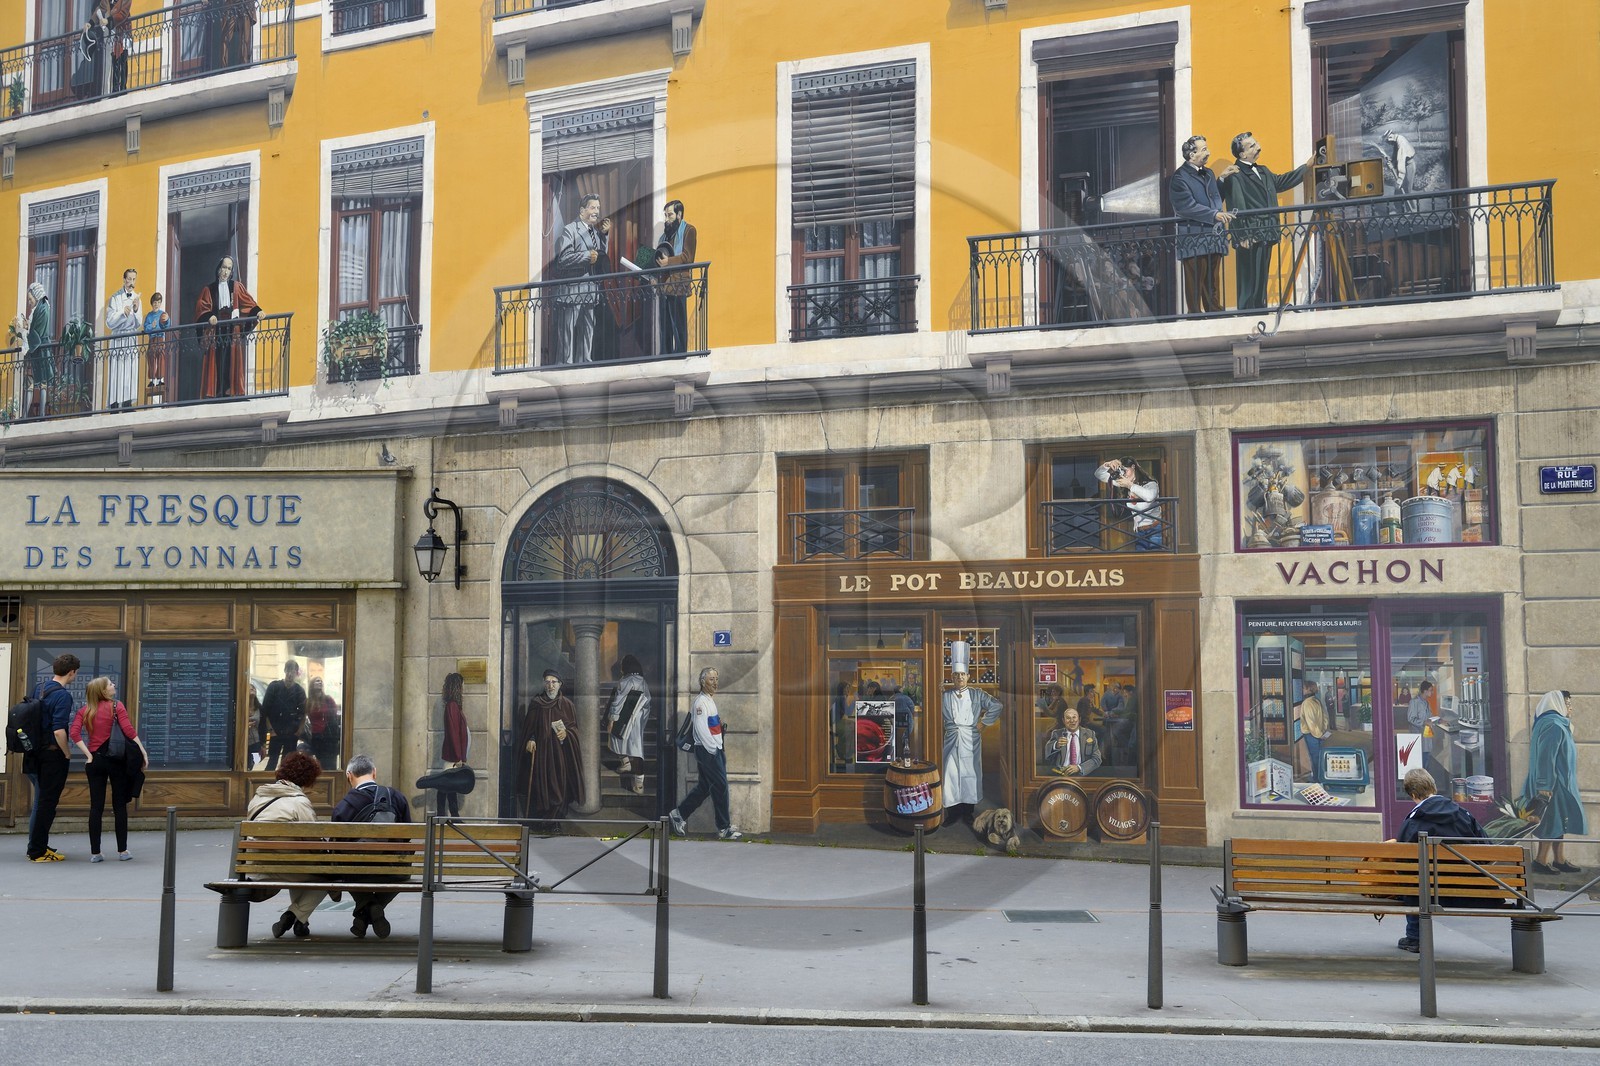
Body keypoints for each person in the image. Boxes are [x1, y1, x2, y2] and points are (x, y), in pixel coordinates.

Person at [1393, 768, 1485, 953]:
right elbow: (1487, 847)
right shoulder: (1463, 815)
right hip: (1466, 890)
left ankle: (1415, 938)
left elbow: (1400, 861)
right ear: (1434, 788)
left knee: (1414, 881)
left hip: (1425, 893)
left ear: (1412, 794)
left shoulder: (1413, 821)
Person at [1219, 133, 1310, 311]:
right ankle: (1247, 315)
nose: (1258, 147)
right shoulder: (1235, 175)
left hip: (1267, 230)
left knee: (1261, 278)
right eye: (1252, 146)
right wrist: (1242, 235)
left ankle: (1260, 311)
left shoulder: (1264, 171)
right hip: (1250, 234)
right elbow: (1236, 206)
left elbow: (1282, 182)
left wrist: (1306, 168)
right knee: (1249, 279)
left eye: (1256, 143)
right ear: (1242, 154)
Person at [246, 751, 327, 939]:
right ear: (307, 778)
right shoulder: (299, 802)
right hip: (288, 867)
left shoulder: (257, 798)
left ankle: (302, 923)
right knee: (326, 877)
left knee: (298, 864)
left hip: (258, 867)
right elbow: (313, 843)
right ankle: (293, 915)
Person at [69, 676, 149, 862]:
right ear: (103, 691)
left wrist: (88, 755)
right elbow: (129, 731)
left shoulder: (85, 711)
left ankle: (95, 853)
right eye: (110, 684)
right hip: (116, 761)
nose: (114, 685)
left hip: (95, 761)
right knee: (119, 806)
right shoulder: (116, 706)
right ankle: (122, 851)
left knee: (95, 807)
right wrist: (142, 751)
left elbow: (73, 733)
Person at [332, 753, 412, 939]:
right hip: (392, 870)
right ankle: (373, 909)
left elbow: (337, 843)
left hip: (357, 870)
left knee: (344, 866)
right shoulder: (397, 797)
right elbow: (407, 835)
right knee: (402, 872)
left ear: (349, 776)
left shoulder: (343, 806)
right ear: (374, 773)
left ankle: (367, 908)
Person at [668, 667, 741, 840]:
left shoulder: (708, 700)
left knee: (705, 788)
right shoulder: (700, 703)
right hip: (709, 751)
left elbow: (711, 726)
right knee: (721, 787)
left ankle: (678, 815)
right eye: (711, 680)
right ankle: (724, 828)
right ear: (703, 682)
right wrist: (714, 751)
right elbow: (701, 731)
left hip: (713, 750)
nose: (715, 682)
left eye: (716, 679)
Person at [1168, 135, 1234, 314]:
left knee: (1212, 279)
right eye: (1204, 149)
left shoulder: (1209, 173)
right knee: (1195, 279)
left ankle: (1215, 311)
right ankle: (1195, 314)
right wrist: (1214, 215)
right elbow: (1186, 207)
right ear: (1191, 155)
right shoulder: (1179, 178)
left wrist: (1221, 180)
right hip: (1194, 238)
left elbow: (1215, 200)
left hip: (1213, 236)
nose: (1208, 152)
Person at [1523, 689, 1585, 875]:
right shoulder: (1554, 725)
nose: (1570, 707)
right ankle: (1540, 861)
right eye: (1567, 703)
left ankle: (1559, 859)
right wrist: (1544, 786)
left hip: (1559, 784)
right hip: (1553, 785)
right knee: (1550, 823)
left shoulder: (1552, 723)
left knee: (1559, 822)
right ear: (1557, 704)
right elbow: (1546, 758)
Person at [26, 653, 80, 862]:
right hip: (51, 755)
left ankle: (36, 846)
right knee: (47, 804)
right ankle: (37, 851)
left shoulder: (39, 688)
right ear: (72, 672)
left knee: (40, 802)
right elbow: (59, 731)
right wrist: (66, 752)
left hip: (33, 753)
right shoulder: (63, 696)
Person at [941, 653, 1002, 824]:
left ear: (968, 676)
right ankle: (952, 813)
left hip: (971, 739)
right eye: (956, 674)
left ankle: (968, 812)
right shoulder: (945, 696)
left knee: (970, 774)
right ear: (952, 677)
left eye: (962, 674)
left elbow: (997, 705)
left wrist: (983, 723)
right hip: (952, 738)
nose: (959, 677)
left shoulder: (978, 694)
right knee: (950, 774)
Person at [551, 193, 611, 364]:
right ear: (582, 210)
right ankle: (565, 363)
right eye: (593, 208)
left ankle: (585, 360)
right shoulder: (570, 229)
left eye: (598, 208)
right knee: (568, 328)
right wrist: (586, 256)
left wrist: (604, 236)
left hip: (590, 289)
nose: (596, 212)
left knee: (588, 328)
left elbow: (599, 256)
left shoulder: (595, 232)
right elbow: (563, 259)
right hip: (572, 289)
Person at [516, 669, 583, 819]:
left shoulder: (567, 705)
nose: (550, 686)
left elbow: (574, 729)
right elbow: (530, 728)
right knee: (541, 787)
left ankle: (556, 820)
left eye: (554, 682)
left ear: (560, 684)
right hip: (541, 755)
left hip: (560, 755)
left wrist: (567, 733)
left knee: (559, 787)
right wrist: (531, 739)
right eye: (547, 682)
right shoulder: (536, 703)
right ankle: (543, 821)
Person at [194, 255, 261, 399]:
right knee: (217, 361)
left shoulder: (236, 286)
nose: (225, 271)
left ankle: (231, 391)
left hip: (232, 330)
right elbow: (202, 306)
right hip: (216, 331)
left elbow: (248, 302)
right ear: (218, 269)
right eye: (224, 267)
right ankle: (216, 392)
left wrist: (258, 311)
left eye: (229, 269)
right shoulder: (209, 289)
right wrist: (209, 316)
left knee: (231, 361)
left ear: (232, 272)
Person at [654, 199, 697, 354]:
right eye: (665, 215)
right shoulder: (664, 238)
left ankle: (680, 355)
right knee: (664, 326)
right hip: (664, 285)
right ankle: (665, 355)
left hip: (679, 285)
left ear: (679, 215)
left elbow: (687, 257)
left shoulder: (689, 231)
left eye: (670, 215)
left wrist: (667, 262)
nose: (667, 219)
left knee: (678, 325)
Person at [1095, 457, 1164, 551]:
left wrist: (1130, 485)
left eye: (1125, 470)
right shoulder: (1125, 483)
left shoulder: (1150, 484)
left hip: (1155, 529)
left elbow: (1149, 497)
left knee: (1156, 559)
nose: (1124, 474)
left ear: (1133, 467)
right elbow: (1099, 475)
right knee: (1141, 561)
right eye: (1121, 471)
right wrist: (1107, 464)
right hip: (1139, 531)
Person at [606, 654, 651, 796]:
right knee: (636, 750)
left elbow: (618, 701)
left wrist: (612, 720)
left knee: (614, 737)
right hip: (637, 721)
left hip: (623, 718)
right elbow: (648, 702)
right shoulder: (642, 681)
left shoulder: (625, 681)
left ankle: (625, 763)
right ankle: (639, 785)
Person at [104, 268, 142, 410]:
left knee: (129, 373)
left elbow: (138, 323)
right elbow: (109, 322)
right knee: (116, 373)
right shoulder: (115, 298)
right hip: (118, 338)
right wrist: (122, 313)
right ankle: (114, 405)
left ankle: (127, 404)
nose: (132, 282)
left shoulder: (137, 298)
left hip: (131, 339)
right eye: (129, 279)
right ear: (124, 280)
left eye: (134, 279)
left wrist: (137, 310)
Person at [433, 671, 468, 816]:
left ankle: (451, 816)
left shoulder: (453, 706)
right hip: (452, 756)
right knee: (445, 787)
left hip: (453, 755)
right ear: (457, 687)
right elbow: (454, 734)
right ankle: (446, 816)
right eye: (461, 686)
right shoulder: (452, 706)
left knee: (448, 786)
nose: (463, 689)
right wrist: (459, 757)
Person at [261, 659, 306, 771]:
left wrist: (299, 731)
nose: (290, 674)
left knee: (287, 764)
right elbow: (265, 710)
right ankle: (268, 785)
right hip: (276, 730)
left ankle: (283, 786)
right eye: (288, 670)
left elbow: (303, 712)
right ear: (285, 671)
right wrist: (271, 730)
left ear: (296, 673)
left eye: (293, 671)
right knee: (272, 761)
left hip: (291, 732)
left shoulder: (299, 691)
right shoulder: (274, 687)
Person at [1045, 703, 1102, 777]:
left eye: (1074, 717)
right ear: (1063, 720)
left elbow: (1097, 759)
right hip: (1061, 775)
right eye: (1068, 718)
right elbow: (1047, 754)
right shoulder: (1057, 734)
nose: (1072, 721)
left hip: (1083, 775)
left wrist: (1079, 768)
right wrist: (1056, 745)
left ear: (1079, 719)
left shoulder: (1090, 734)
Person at [23, 282, 52, 420]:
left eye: (30, 299)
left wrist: (27, 330)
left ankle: (41, 415)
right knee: (33, 381)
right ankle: (25, 415)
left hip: (41, 349)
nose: (29, 302)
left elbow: (37, 332)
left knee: (42, 381)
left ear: (36, 295)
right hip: (36, 349)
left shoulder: (43, 307)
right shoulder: (38, 308)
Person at [71, 2, 111, 100]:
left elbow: (121, 14)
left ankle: (107, 92)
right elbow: (99, 11)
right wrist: (90, 23)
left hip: (112, 42)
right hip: (99, 47)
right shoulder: (103, 5)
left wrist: (109, 21)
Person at [1296, 681, 1332, 781]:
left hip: (1312, 735)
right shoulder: (1317, 700)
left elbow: (1310, 722)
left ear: (1309, 689)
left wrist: (1318, 734)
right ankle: (1320, 777)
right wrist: (1323, 730)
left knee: (1315, 757)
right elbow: (1325, 717)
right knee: (1319, 756)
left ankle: (1317, 779)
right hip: (1320, 733)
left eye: (1304, 688)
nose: (1302, 690)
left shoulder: (1307, 703)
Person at [305, 676, 341, 769]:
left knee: (330, 763)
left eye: (321, 681)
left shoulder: (328, 699)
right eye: (317, 681)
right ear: (312, 685)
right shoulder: (309, 701)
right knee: (320, 763)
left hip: (328, 736)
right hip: (316, 736)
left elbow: (334, 715)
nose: (320, 682)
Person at [142, 292, 169, 394]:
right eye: (154, 302)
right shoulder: (149, 316)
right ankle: (153, 380)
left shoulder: (163, 314)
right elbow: (146, 328)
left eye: (158, 302)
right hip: (152, 339)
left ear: (160, 303)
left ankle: (160, 379)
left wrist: (166, 320)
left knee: (161, 357)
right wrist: (151, 326)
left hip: (160, 338)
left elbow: (167, 325)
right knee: (152, 358)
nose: (156, 304)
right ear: (152, 303)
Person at [108, 0, 131, 92]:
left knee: (123, 59)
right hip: (115, 32)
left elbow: (123, 14)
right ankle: (115, 88)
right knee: (115, 60)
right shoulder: (110, 3)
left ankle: (123, 87)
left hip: (124, 31)